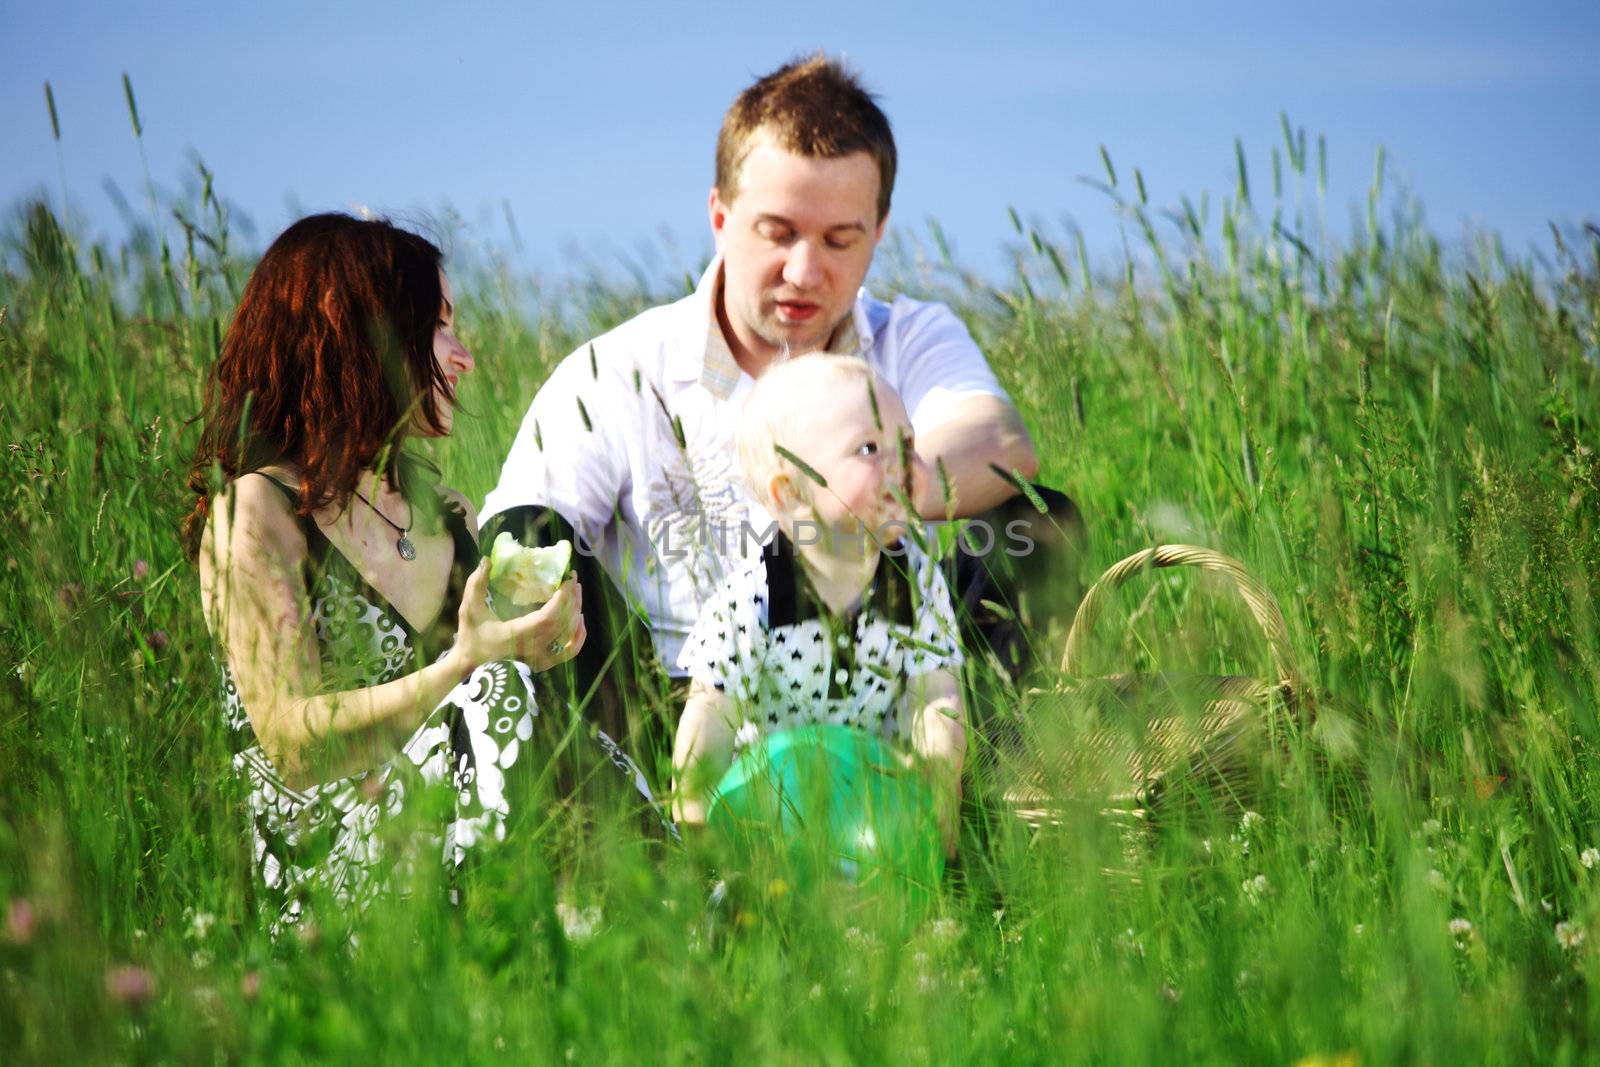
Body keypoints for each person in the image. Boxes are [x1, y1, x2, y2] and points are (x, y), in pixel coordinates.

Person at [481, 55, 1082, 772]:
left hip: (883, 687)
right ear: (720, 217)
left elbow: (1003, 441)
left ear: (879, 231)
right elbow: (515, 532)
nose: (804, 271)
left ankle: (966, 804)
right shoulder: (620, 368)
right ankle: (634, 823)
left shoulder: (912, 336)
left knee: (1036, 522)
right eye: (777, 231)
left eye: (838, 240)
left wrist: (870, 486)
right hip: (672, 701)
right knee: (530, 550)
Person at [183, 213, 660, 930]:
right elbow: (289, 741)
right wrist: (467, 666)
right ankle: (570, 930)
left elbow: (517, 714)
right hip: (324, 867)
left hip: (465, 830)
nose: (463, 356)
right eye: (438, 326)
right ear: (359, 338)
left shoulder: (448, 514)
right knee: (495, 688)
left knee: (543, 697)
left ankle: (657, 918)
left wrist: (545, 646)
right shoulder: (256, 512)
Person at [671, 357, 966, 854]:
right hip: (773, 806)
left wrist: (939, 774)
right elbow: (711, 708)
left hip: (882, 801)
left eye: (908, 445)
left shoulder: (915, 581)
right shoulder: (754, 597)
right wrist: (694, 808)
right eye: (869, 449)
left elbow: (935, 693)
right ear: (790, 494)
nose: (901, 465)